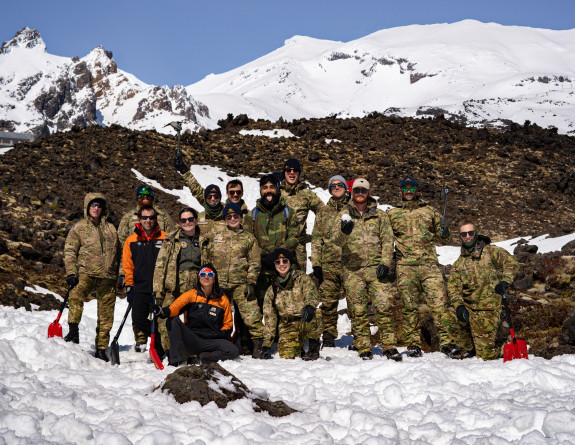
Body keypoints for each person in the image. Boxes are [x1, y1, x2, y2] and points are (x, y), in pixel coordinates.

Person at [387, 176, 458, 358]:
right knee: (409, 308)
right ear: (400, 190)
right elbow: (385, 239)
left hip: (429, 267)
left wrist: (445, 229)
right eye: (405, 188)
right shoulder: (392, 214)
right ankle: (413, 344)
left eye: (412, 188)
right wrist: (391, 256)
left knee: (440, 305)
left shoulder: (430, 212)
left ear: (417, 190)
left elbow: (445, 239)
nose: (409, 191)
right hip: (405, 268)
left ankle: (447, 343)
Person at [335, 178, 401, 361]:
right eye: (357, 190)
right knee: (357, 310)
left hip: (376, 269)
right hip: (352, 270)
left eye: (363, 190)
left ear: (368, 193)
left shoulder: (380, 216)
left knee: (384, 306)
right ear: (352, 192)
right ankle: (363, 346)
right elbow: (335, 242)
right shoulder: (343, 214)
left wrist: (385, 263)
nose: (360, 194)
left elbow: (388, 241)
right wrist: (343, 232)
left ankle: (389, 346)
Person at [447, 220, 519, 360]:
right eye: (463, 234)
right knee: (446, 317)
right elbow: (452, 287)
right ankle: (471, 348)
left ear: (476, 233)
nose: (467, 236)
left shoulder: (491, 252)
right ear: (460, 236)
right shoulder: (459, 263)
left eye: (470, 233)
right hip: (469, 308)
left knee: (486, 356)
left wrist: (505, 281)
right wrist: (459, 306)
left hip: (488, 309)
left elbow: (511, 262)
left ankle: (505, 345)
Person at [117, 185, 175, 351]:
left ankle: (163, 342)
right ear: (139, 219)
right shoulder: (129, 226)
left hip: (160, 282)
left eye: (147, 194)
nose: (144, 197)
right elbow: (123, 248)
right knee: (139, 316)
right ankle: (142, 341)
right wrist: (126, 279)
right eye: (141, 195)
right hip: (140, 279)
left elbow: (173, 242)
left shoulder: (163, 219)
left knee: (161, 316)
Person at [63, 193, 120, 361]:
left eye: (99, 205)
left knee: (106, 314)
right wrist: (71, 272)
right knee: (75, 296)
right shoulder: (79, 227)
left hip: (108, 277)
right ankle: (73, 330)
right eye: (93, 205)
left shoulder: (111, 228)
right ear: (87, 207)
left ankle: (102, 348)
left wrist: (122, 274)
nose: (96, 208)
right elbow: (70, 251)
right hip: (86, 273)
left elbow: (121, 253)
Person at [201, 203, 263, 357]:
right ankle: (220, 343)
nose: (233, 219)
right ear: (225, 219)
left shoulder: (248, 238)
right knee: (216, 316)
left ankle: (259, 344)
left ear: (240, 218)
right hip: (219, 285)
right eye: (229, 217)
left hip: (241, 284)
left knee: (251, 316)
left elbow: (255, 262)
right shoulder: (217, 237)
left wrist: (251, 281)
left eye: (235, 216)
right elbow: (207, 260)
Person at [153, 265, 240, 365]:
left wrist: (214, 335)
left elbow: (228, 326)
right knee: (172, 321)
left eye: (210, 274)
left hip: (211, 341)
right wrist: (162, 311)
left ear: (214, 278)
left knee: (232, 350)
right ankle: (177, 359)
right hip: (192, 339)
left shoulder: (223, 299)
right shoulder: (191, 294)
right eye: (203, 274)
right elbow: (175, 307)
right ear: (198, 277)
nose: (206, 277)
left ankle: (206, 357)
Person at [244, 174, 299, 310]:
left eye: (272, 187)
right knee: (260, 309)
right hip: (260, 273)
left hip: (283, 272)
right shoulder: (252, 215)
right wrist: (260, 256)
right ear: (260, 191)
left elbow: (294, 237)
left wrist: (276, 256)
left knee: (285, 310)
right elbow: (247, 241)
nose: (268, 191)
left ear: (278, 189)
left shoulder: (288, 212)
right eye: (265, 188)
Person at [152, 207, 203, 351]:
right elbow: (160, 266)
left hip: (196, 289)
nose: (187, 222)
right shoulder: (171, 240)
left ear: (196, 220)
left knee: (194, 321)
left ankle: (192, 352)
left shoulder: (204, 240)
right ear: (179, 222)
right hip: (174, 288)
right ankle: (171, 351)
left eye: (190, 219)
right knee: (164, 319)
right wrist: (158, 291)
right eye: (184, 220)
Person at [260, 249, 323, 360]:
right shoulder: (272, 290)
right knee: (289, 357)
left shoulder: (302, 278)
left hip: (305, 320)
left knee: (315, 312)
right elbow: (270, 317)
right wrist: (266, 344)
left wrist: (310, 305)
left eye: (285, 261)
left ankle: (313, 348)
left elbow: (312, 295)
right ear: (274, 265)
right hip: (287, 325)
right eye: (278, 262)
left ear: (290, 262)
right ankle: (298, 349)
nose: (282, 264)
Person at [123, 206, 167, 359]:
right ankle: (159, 340)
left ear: (155, 219)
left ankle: (163, 348)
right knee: (139, 320)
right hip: (140, 287)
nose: (148, 221)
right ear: (139, 219)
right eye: (145, 217)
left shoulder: (165, 237)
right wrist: (129, 287)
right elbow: (128, 266)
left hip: (161, 288)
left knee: (162, 321)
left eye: (151, 217)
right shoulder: (131, 240)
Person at [310, 175, 350, 347]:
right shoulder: (323, 212)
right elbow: (316, 238)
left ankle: (361, 337)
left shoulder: (353, 208)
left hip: (350, 264)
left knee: (356, 302)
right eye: (332, 185)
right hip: (328, 263)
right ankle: (328, 335)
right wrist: (316, 263)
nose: (336, 187)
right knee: (328, 303)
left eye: (339, 184)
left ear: (345, 187)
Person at [279, 158, 324, 269]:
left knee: (299, 281)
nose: (292, 173)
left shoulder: (307, 194)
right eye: (289, 170)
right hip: (279, 244)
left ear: (299, 173)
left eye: (295, 170)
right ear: (284, 173)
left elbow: (324, 212)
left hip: (298, 248)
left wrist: (314, 235)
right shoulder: (277, 192)